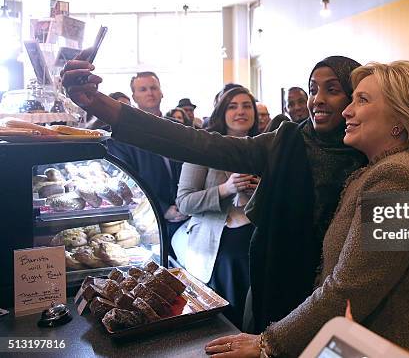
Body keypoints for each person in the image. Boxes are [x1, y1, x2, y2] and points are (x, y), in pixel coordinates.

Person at [61, 54, 367, 333]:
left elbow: (380, 271)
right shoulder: (288, 143)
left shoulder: (393, 168)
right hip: (289, 293)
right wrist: (102, 106)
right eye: (313, 89)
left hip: (351, 314)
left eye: (334, 90)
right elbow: (196, 144)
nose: (317, 100)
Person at [205, 61, 409, 358]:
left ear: (400, 118)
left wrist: (268, 343)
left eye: (362, 100)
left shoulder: (399, 176)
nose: (348, 110)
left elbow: (351, 287)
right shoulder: (391, 169)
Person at [173, 87, 260, 329]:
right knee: (227, 321)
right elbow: (184, 202)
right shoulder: (204, 148)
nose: (240, 111)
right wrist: (226, 189)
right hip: (218, 243)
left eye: (246, 105)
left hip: (257, 238)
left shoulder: (266, 148)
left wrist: (262, 190)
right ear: (221, 112)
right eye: (232, 106)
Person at [106, 71, 186, 257]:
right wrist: (164, 208)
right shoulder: (123, 136)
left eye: (153, 88)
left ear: (161, 92)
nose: (150, 93)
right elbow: (129, 182)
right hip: (152, 220)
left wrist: (186, 204)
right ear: (134, 96)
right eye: (143, 89)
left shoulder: (178, 127)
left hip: (188, 213)